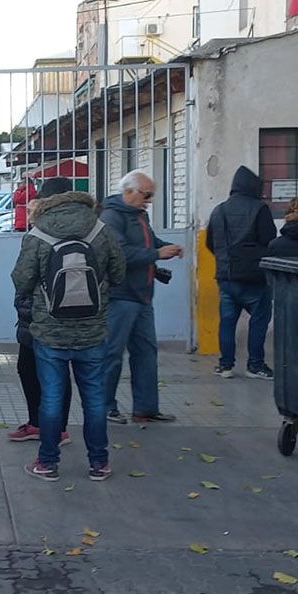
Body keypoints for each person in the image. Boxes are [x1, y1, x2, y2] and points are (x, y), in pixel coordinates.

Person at [12, 179, 125, 483]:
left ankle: (47, 463)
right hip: (92, 330)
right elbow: (119, 273)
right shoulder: (100, 229)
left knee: (51, 397)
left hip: (50, 332)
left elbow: (21, 281)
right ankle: (99, 463)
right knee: (95, 398)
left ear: (46, 200)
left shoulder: (38, 232)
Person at [99, 170, 182, 424]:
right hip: (120, 295)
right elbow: (120, 253)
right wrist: (157, 254)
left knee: (146, 352)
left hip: (142, 295)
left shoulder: (139, 215)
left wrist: (166, 247)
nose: (150, 200)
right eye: (146, 195)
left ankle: (146, 408)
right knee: (112, 353)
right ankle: (104, 406)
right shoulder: (111, 217)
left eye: (152, 195)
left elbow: (149, 242)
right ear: (128, 192)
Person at [9, 178, 73, 446]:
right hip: (79, 313)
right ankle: (57, 428)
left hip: (39, 314)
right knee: (61, 371)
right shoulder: (93, 228)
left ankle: (44, 426)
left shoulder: (39, 232)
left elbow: (22, 277)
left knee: (32, 368)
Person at [205, 165, 278, 381]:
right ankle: (255, 365)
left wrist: (226, 260)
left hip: (226, 277)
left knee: (227, 322)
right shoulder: (260, 209)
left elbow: (210, 242)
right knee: (259, 320)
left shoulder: (218, 210)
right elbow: (269, 241)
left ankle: (225, 365)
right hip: (255, 278)